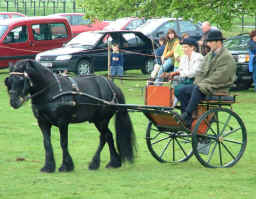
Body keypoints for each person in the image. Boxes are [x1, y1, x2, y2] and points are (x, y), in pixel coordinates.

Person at [177, 30, 236, 128]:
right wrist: (198, 82)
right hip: (207, 84)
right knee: (182, 90)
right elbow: (200, 72)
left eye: (210, 42)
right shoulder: (209, 55)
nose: (208, 44)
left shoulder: (226, 57)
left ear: (218, 42)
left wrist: (202, 83)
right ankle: (188, 120)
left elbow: (221, 76)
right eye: (208, 42)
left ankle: (187, 113)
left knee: (197, 88)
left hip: (219, 86)